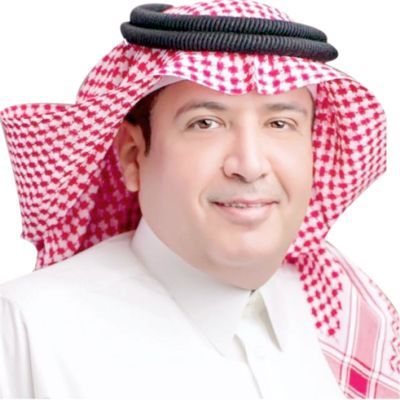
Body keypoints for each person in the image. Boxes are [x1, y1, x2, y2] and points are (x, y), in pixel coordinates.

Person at [0, 1, 399, 398]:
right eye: (206, 123)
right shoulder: (29, 328)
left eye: (280, 123)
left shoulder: (354, 312)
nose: (250, 165)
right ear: (134, 156)